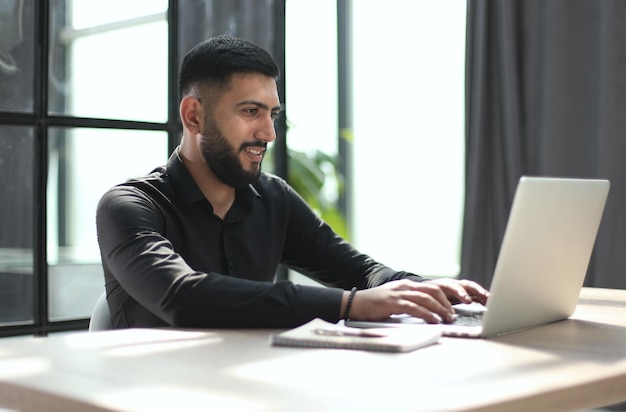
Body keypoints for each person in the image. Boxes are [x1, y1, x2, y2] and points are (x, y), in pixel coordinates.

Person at [96, 35, 488, 329]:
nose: (268, 133)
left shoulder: (272, 199)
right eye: (251, 111)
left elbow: (360, 271)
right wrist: (350, 305)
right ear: (194, 115)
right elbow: (181, 296)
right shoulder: (128, 206)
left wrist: (421, 289)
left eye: (273, 114)